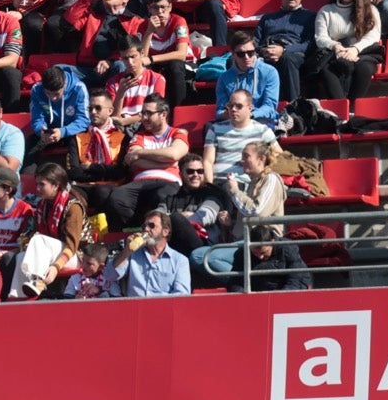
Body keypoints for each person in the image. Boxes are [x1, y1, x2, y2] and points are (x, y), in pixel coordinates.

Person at [88, 94, 187, 229]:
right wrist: (167, 162)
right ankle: (136, 229)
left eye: (148, 113)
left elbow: (174, 153)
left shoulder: (178, 133)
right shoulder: (139, 135)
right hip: (140, 181)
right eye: (142, 113)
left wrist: (141, 153)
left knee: (162, 196)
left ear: (163, 114)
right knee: (116, 197)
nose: (144, 118)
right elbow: (133, 162)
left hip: (168, 181)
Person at [192, 141, 285, 280]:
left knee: (205, 257)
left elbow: (256, 212)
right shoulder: (252, 183)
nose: (241, 161)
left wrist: (234, 191)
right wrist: (231, 223)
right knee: (197, 256)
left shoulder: (271, 179)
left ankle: (250, 282)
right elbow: (249, 216)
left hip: (260, 242)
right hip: (243, 242)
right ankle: (244, 281)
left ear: (261, 159)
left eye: (246, 156)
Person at [8, 161, 91, 297]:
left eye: (42, 184)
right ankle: (17, 297)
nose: (37, 189)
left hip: (78, 255)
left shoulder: (73, 206)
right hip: (51, 251)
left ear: (56, 185)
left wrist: (55, 267)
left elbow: (72, 245)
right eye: (37, 184)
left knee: (39, 239)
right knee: (21, 257)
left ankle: (38, 282)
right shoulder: (42, 205)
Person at [305, 0, 382, 103]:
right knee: (325, 70)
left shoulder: (370, 9)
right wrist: (336, 46)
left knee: (364, 68)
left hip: (363, 53)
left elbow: (373, 35)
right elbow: (320, 37)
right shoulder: (326, 11)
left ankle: (352, 108)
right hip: (334, 53)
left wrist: (355, 49)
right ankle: (341, 107)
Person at [256, 0, 314, 105]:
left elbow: (309, 44)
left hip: (294, 54)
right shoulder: (267, 18)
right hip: (267, 52)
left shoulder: (311, 17)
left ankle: (294, 107)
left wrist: (284, 50)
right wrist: (265, 51)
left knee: (287, 60)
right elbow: (255, 43)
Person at [215, 29, 280, 125]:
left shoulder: (269, 72)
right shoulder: (224, 78)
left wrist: (248, 116)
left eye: (250, 53)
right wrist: (228, 114)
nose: (246, 57)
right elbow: (219, 111)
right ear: (233, 54)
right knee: (209, 129)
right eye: (241, 54)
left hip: (260, 119)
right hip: (234, 121)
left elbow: (270, 107)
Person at [122, 206, 191, 296]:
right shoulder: (132, 254)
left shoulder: (180, 260)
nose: (146, 229)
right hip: (134, 309)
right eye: (144, 226)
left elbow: (182, 295)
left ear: (165, 232)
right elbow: (110, 275)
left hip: (164, 309)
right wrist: (126, 251)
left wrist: (152, 302)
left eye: (151, 225)